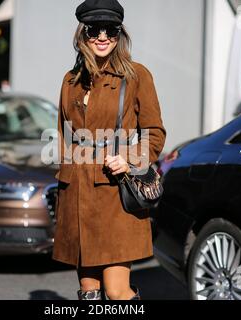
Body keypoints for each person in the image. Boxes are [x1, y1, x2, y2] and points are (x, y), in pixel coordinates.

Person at [52, 0, 167, 300]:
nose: (102, 37)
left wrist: (129, 159)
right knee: (88, 292)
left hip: (115, 196)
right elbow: (63, 136)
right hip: (76, 197)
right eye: (94, 30)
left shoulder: (137, 75)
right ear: (82, 34)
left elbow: (155, 134)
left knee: (117, 292)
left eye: (110, 30)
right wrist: (63, 179)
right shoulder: (70, 81)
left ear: (119, 34)